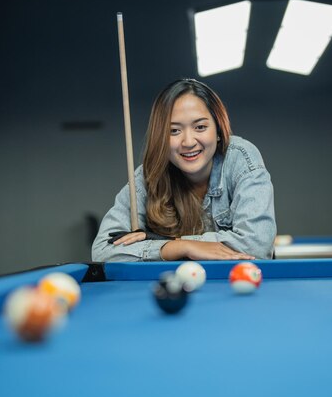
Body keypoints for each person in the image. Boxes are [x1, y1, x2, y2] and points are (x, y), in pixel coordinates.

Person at [92, 79, 276, 262]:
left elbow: (257, 246)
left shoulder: (240, 156)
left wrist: (169, 242)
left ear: (219, 130)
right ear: (161, 136)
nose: (188, 142)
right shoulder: (148, 175)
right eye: (174, 131)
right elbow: (102, 251)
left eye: (200, 127)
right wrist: (181, 247)